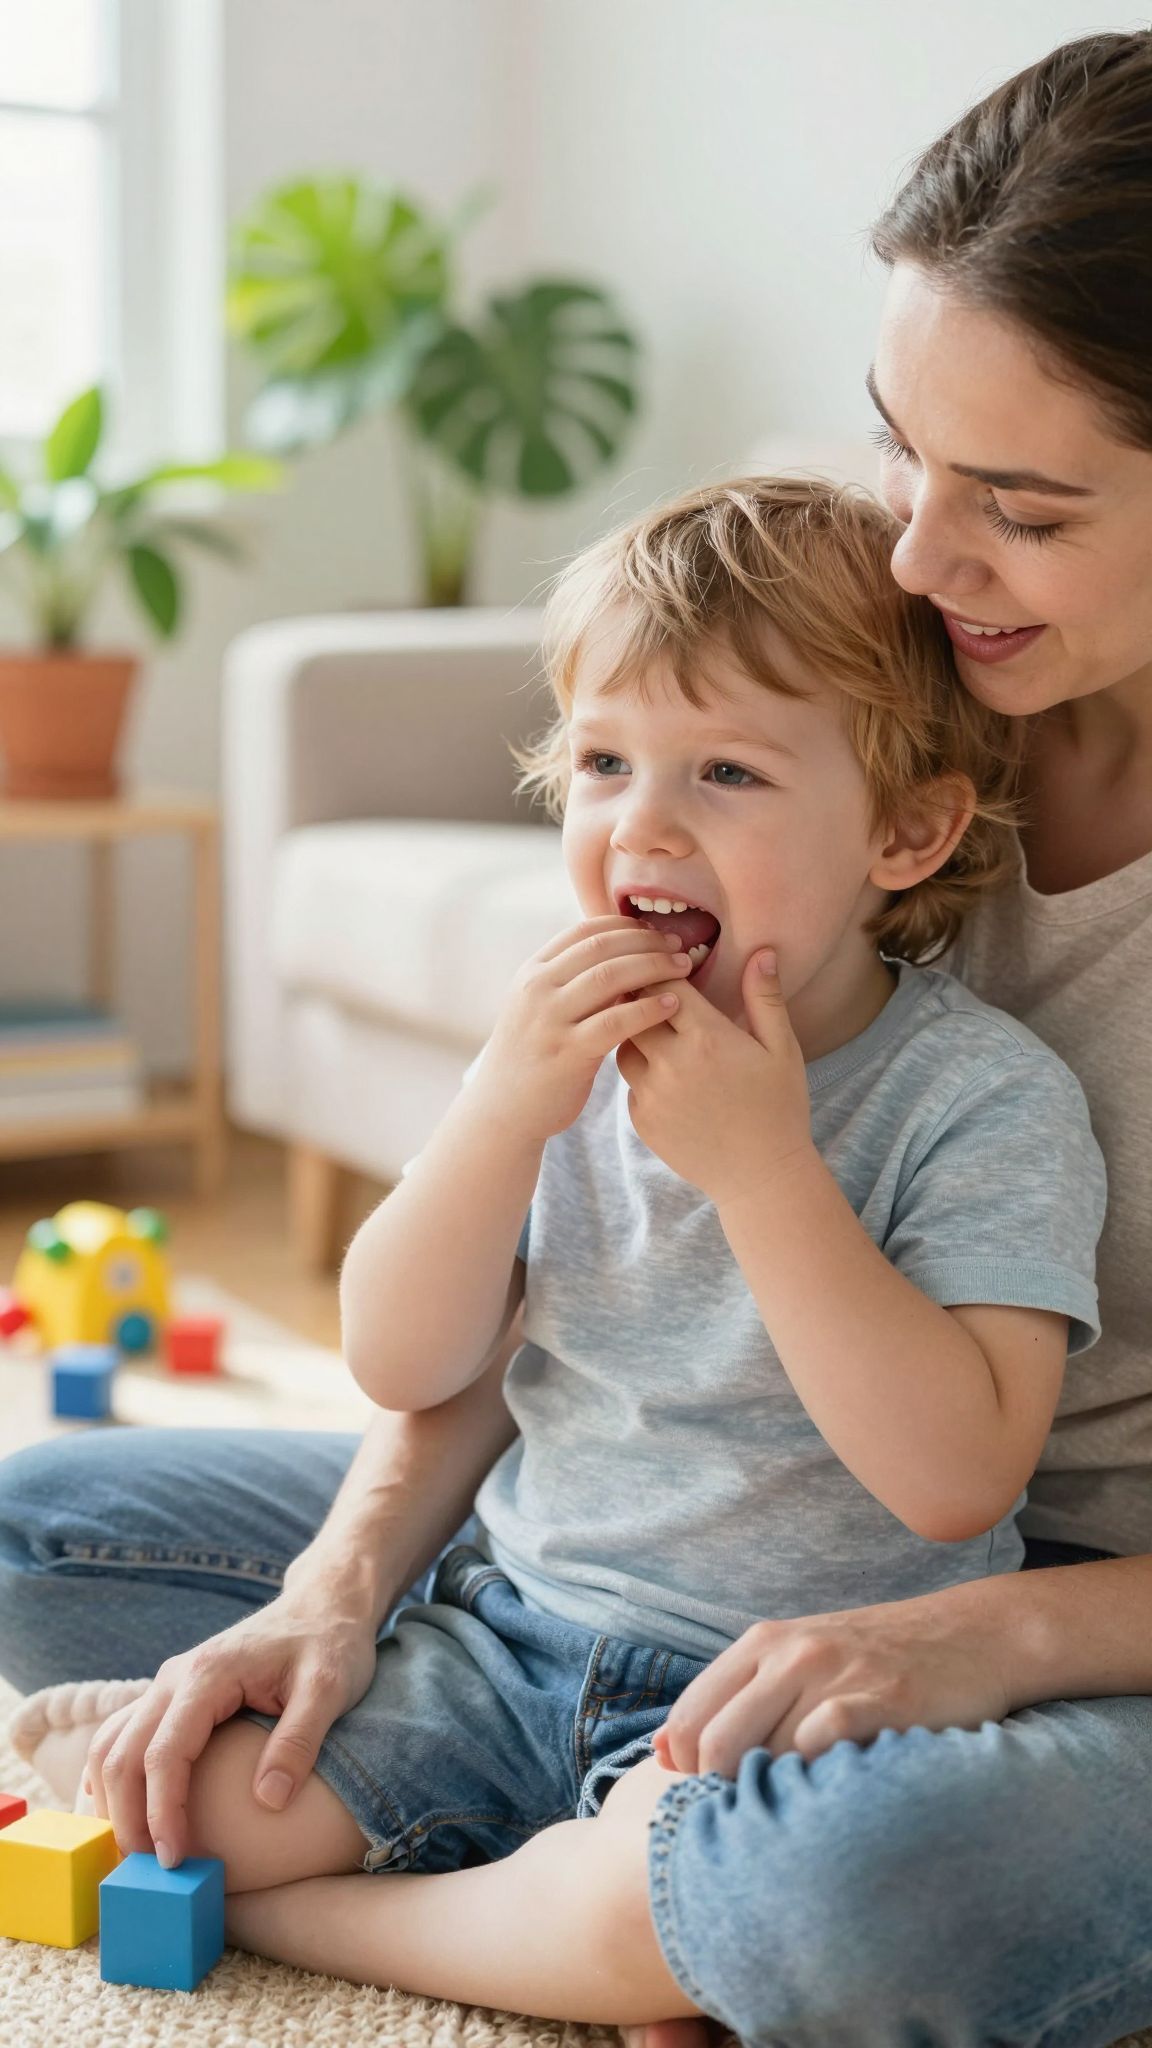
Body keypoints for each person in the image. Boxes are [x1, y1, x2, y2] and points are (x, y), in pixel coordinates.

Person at [4, 21, 1152, 2041]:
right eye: (905, 444)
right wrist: (335, 1593)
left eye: (1022, 507)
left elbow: (943, 1462)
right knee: (43, 1535)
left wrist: (994, 1637)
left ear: (914, 833)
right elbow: (489, 1339)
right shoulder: (898, 678)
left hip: (1042, 1622)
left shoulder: (959, 1061)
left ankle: (579, 1905)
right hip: (594, 1556)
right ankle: (609, 1881)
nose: (913, 553)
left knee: (865, 1891)